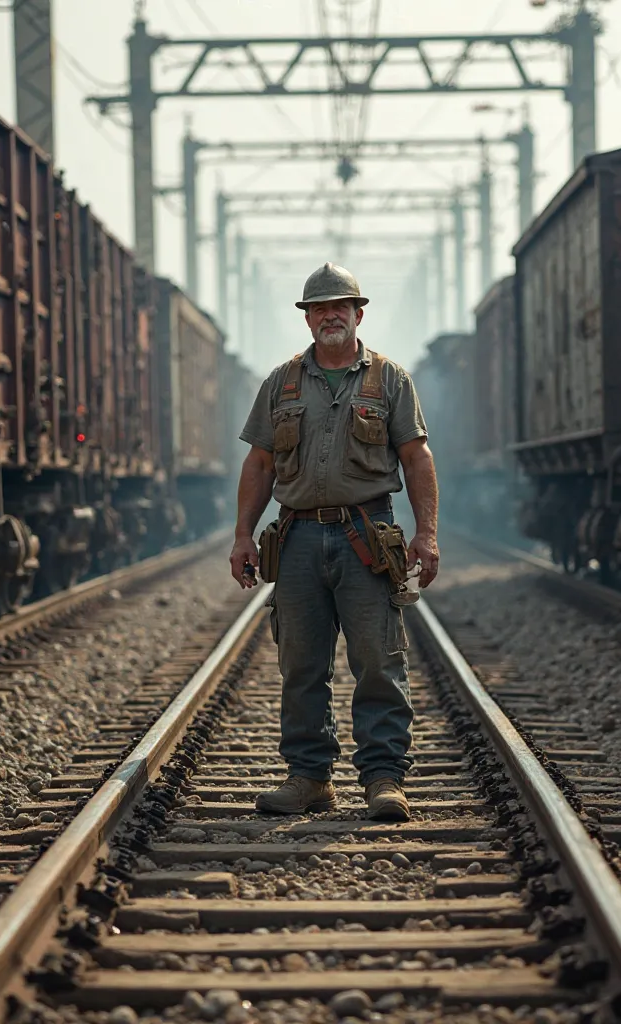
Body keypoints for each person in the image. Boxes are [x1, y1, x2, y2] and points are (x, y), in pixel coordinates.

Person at [229, 262, 439, 822]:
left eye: (339, 307)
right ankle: (309, 779)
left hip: (366, 535)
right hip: (296, 536)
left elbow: (417, 458)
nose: (329, 316)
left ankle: (384, 780)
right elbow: (260, 462)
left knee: (377, 661)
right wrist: (242, 536)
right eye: (318, 308)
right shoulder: (282, 382)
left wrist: (428, 535)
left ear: (357, 313)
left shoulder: (389, 379)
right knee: (301, 666)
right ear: (307, 318)